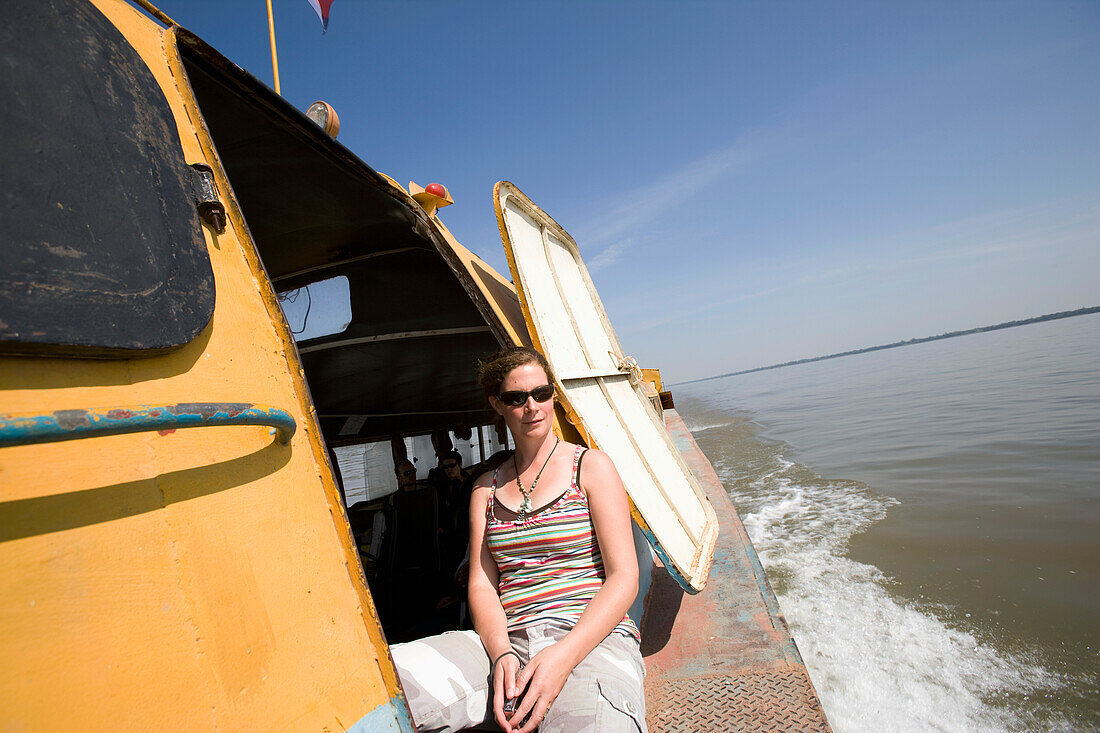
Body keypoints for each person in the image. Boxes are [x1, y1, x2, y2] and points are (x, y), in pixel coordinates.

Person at [391, 347, 646, 732]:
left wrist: (563, 657)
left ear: (552, 394)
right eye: (517, 398)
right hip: (505, 640)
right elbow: (481, 584)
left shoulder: (591, 467)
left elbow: (624, 576)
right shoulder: (484, 491)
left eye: (541, 393)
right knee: (385, 682)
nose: (533, 406)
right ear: (497, 403)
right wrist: (500, 654)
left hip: (589, 639)